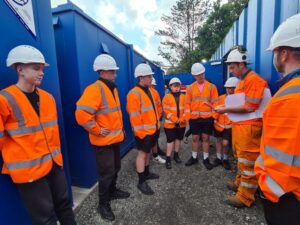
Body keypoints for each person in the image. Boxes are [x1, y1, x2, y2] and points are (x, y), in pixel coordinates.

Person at [0, 45, 77, 225]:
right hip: (29, 172)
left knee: (65, 206)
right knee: (45, 218)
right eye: (36, 68)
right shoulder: (4, 99)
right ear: (20, 69)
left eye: (42, 69)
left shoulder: (48, 98)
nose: (41, 73)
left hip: (54, 164)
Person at [254, 13, 300, 225]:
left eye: (274, 52)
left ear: (283, 53)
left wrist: (266, 192)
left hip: (288, 201)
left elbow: (279, 163)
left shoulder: (287, 97)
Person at [75, 54, 130, 221]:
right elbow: (81, 114)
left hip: (113, 140)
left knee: (116, 168)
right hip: (102, 142)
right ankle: (103, 204)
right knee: (106, 173)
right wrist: (97, 130)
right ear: (103, 72)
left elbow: (112, 115)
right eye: (113, 71)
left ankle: (112, 191)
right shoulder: (95, 89)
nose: (115, 74)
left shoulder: (111, 88)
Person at [214, 46, 268, 208]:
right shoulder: (243, 82)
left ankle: (245, 197)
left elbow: (250, 107)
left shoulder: (254, 81)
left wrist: (225, 109)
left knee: (248, 163)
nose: (230, 70)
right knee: (240, 159)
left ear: (241, 64)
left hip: (250, 130)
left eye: (232, 66)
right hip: (241, 128)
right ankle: (239, 183)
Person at [126, 63, 160, 195]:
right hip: (143, 133)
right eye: (149, 76)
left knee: (148, 154)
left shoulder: (150, 90)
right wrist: (141, 134)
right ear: (141, 78)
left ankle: (146, 173)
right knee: (142, 154)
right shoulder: (133, 94)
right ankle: (141, 182)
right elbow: (134, 117)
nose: (151, 78)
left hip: (152, 130)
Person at [184, 63, 219, 170]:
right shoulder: (189, 88)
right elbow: (187, 103)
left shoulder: (212, 87)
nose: (201, 76)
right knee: (195, 138)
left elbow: (216, 103)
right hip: (194, 118)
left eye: (202, 73)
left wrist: (214, 116)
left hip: (207, 118)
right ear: (194, 76)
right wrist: (188, 117)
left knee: (206, 138)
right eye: (198, 74)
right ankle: (194, 157)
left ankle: (206, 158)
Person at [213, 77, 239, 170]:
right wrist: (214, 119)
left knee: (225, 143)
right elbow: (215, 110)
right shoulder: (220, 98)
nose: (230, 90)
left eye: (232, 88)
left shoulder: (238, 100)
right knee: (219, 141)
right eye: (228, 88)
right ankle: (218, 158)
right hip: (218, 125)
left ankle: (225, 159)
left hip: (229, 127)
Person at [162, 78, 186, 169]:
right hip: (170, 124)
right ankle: (168, 158)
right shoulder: (166, 97)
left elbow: (187, 109)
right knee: (170, 140)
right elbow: (166, 111)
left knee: (178, 139)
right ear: (170, 87)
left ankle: (176, 155)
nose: (176, 88)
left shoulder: (184, 97)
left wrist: (182, 119)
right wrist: (176, 120)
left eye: (178, 86)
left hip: (181, 124)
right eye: (174, 86)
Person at [150, 77, 166, 163]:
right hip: (150, 121)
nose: (153, 87)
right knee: (152, 139)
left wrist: (158, 116)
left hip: (155, 120)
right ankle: (155, 154)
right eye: (152, 85)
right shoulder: (144, 92)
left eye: (153, 86)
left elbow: (159, 105)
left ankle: (157, 151)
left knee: (155, 138)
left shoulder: (155, 92)